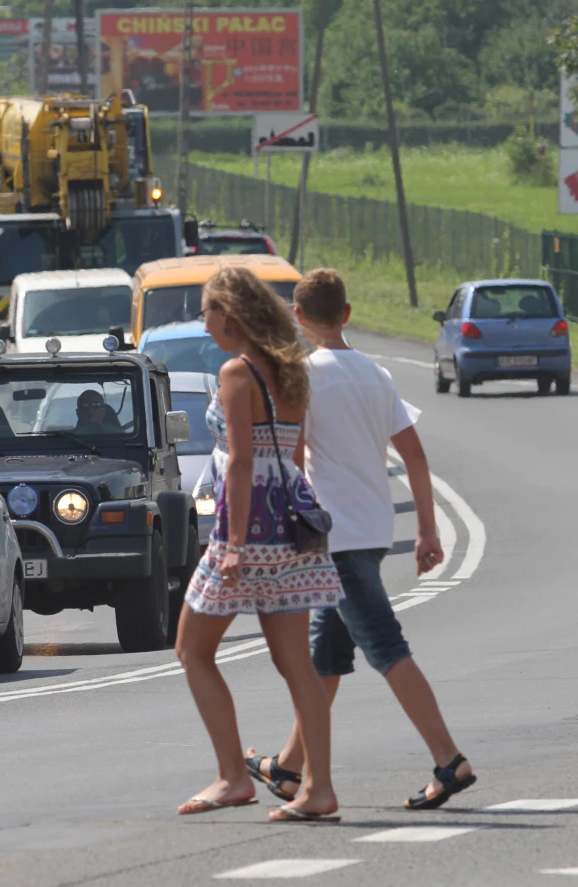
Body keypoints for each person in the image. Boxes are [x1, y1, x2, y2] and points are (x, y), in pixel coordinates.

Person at [245, 269, 477, 810]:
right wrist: (425, 529)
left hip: (334, 537)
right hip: (373, 532)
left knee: (387, 648)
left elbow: (295, 460)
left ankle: (449, 760)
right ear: (347, 313)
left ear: (298, 318)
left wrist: (282, 534)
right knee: (325, 658)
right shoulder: (377, 374)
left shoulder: (302, 376)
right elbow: (414, 456)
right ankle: (288, 767)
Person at [175, 267, 343, 823]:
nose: (206, 323)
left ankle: (231, 776)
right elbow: (291, 458)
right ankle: (318, 788)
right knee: (295, 661)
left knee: (192, 648)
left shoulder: (237, 372)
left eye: (207, 311)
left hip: (248, 527)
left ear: (229, 312)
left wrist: (234, 545)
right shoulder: (292, 370)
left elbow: (242, 462)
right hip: (292, 525)